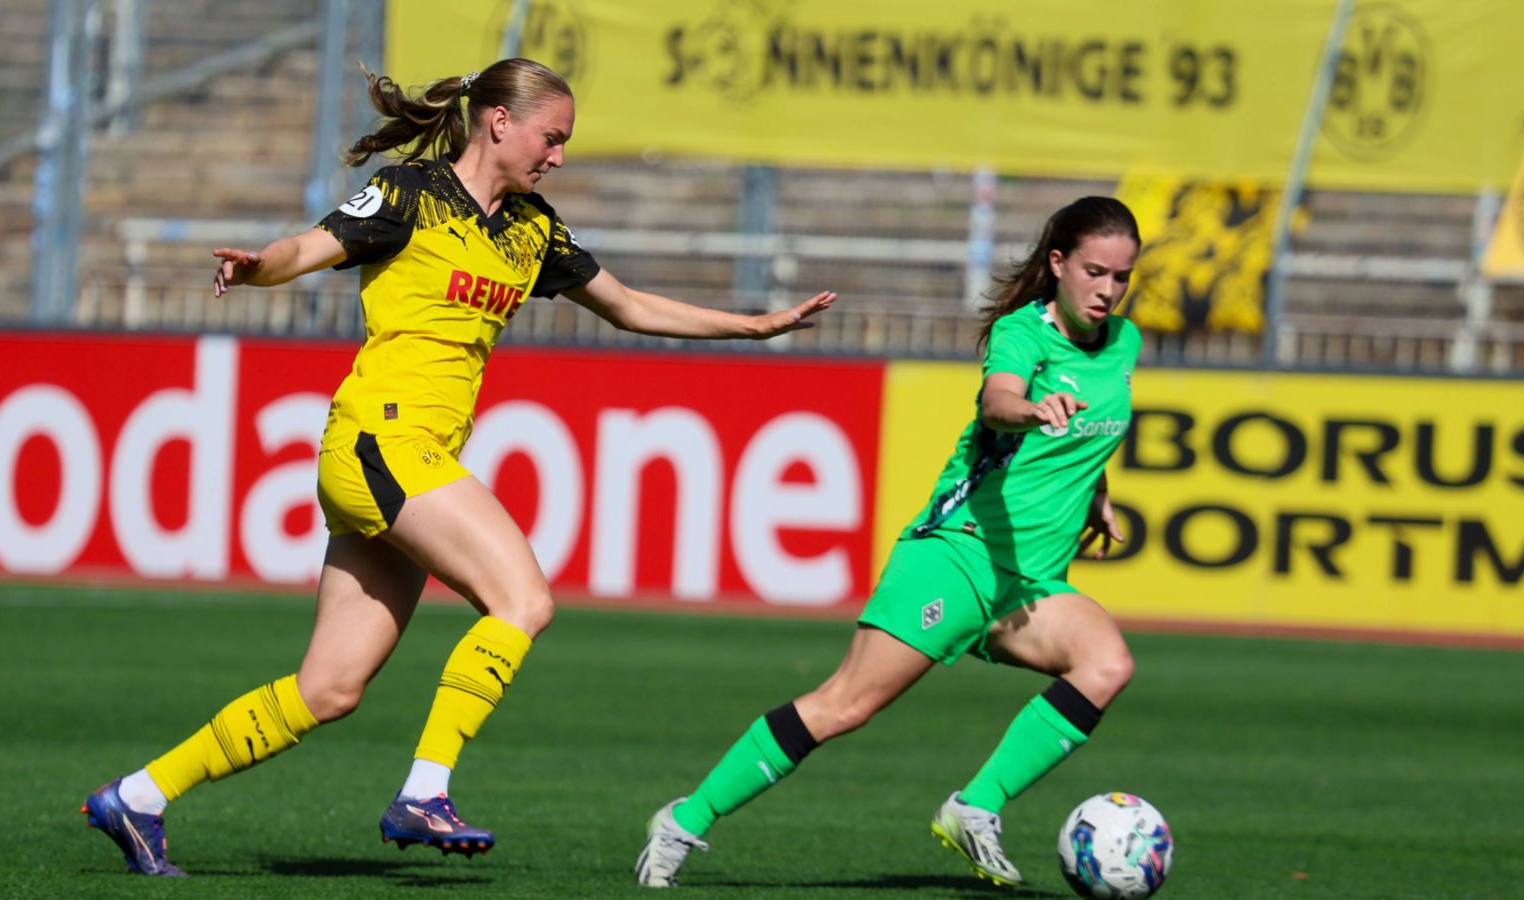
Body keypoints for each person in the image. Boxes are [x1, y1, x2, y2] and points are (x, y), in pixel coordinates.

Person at [80, 57, 836, 878]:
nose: (559, 156)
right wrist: (260, 265)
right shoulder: (411, 194)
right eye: (552, 137)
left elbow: (628, 305)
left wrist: (751, 326)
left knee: (328, 690)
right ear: (499, 122)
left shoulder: (533, 229)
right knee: (523, 600)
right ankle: (425, 791)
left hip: (412, 458)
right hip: (380, 440)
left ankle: (140, 796)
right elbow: (311, 245)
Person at [635, 196, 1141, 889]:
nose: (1108, 290)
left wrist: (1098, 493)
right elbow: (998, 403)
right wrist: (1032, 410)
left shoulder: (1124, 343)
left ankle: (975, 807)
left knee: (1107, 664)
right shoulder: (1023, 335)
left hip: (1029, 584)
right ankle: (683, 821)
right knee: (845, 704)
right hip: (957, 557)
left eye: (1121, 276)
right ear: (1057, 264)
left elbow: (1090, 428)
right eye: (1095, 272)